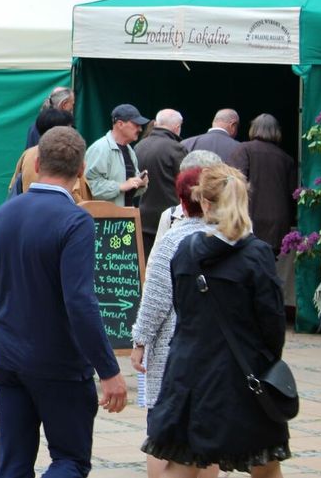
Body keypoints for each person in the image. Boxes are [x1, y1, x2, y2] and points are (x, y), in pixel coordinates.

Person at [0, 126, 127, 477]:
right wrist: (109, 369)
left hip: (7, 357)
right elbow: (80, 302)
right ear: (82, 169)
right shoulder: (75, 221)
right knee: (70, 460)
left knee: (13, 463)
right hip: (59, 363)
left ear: (36, 162)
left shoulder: (4, 213)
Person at [142, 164, 290, 476]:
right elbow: (273, 323)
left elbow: (183, 311)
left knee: (181, 466)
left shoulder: (184, 250)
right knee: (264, 467)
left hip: (190, 372)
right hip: (244, 374)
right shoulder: (257, 254)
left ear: (205, 203)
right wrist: (265, 359)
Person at [130, 167, 216, 478]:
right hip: (216, 356)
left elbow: (155, 302)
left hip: (174, 352)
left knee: (163, 435)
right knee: (207, 432)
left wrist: (140, 342)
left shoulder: (172, 241)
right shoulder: (231, 241)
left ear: (181, 199)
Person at [228, 114, 298, 254]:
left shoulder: (244, 149)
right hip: (278, 224)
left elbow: (234, 183)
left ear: (253, 129)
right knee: (268, 264)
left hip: (249, 220)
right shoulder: (286, 159)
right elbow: (294, 194)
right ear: (277, 131)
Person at [136, 109, 187, 256]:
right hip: (168, 219)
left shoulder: (139, 146)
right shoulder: (176, 148)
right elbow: (185, 184)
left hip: (142, 217)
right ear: (177, 127)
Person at [8, 108, 89, 202]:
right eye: (69, 127)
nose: (72, 131)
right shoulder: (65, 154)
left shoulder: (28, 154)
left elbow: (12, 187)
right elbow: (75, 193)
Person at [85, 103, 149, 207]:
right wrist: (121, 186)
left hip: (125, 219)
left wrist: (140, 184)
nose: (140, 129)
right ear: (120, 124)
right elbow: (89, 186)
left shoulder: (130, 151)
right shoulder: (100, 148)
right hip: (104, 221)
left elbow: (127, 192)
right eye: (136, 124)